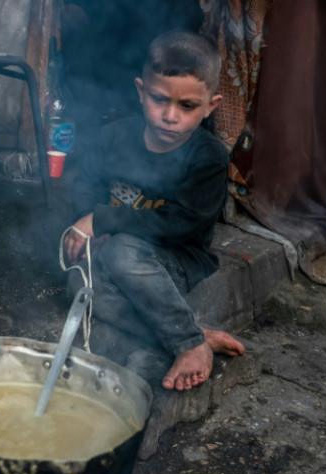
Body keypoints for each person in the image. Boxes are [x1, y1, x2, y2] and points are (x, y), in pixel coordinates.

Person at [63, 30, 245, 392]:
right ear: (141, 91)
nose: (170, 116)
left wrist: (102, 220)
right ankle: (193, 333)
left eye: (188, 106)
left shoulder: (208, 157)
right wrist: (91, 223)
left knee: (122, 251)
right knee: (77, 283)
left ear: (210, 106)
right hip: (115, 248)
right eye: (160, 100)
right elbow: (85, 184)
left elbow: (180, 224)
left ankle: (188, 345)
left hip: (174, 257)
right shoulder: (113, 136)